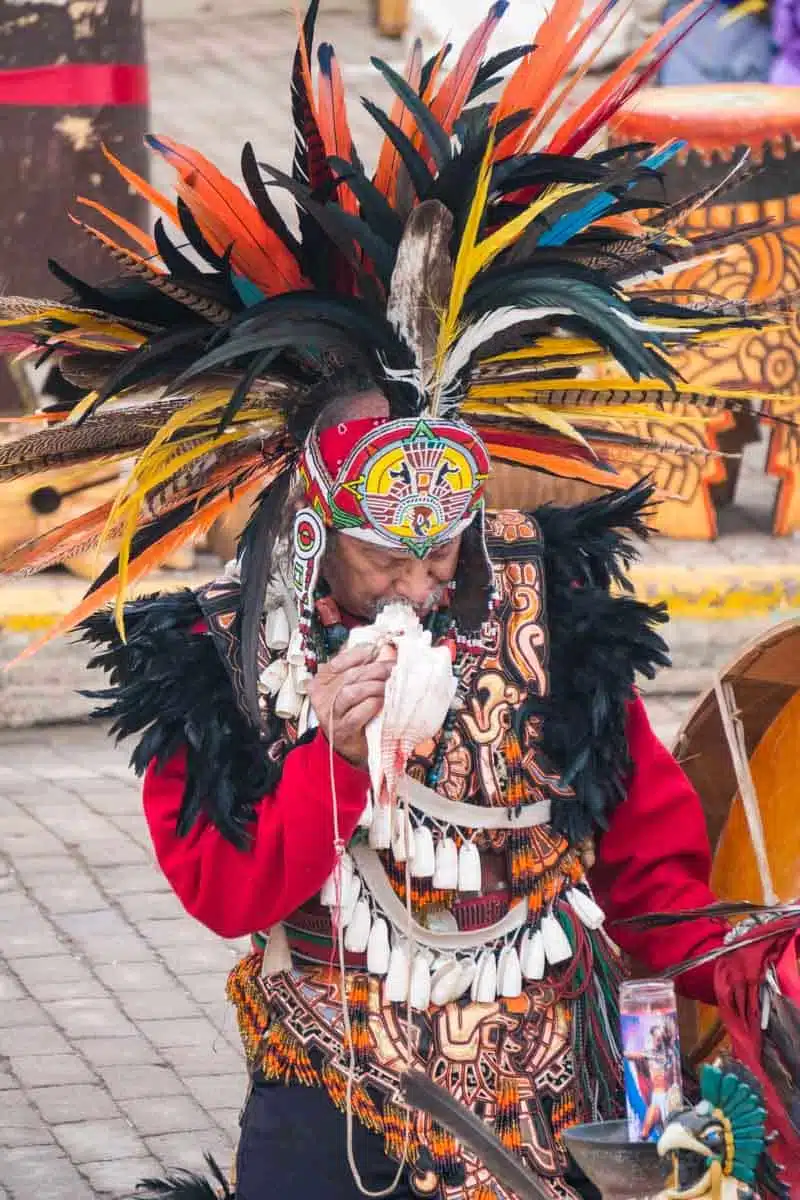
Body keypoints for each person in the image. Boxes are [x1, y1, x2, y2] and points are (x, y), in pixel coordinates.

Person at [0, 2, 787, 1197]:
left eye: (443, 553)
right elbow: (225, 895)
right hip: (341, 1083)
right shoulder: (220, 653)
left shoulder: (543, 600)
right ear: (315, 538)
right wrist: (333, 752)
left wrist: (739, 975)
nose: (424, 584)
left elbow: (647, 863)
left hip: (552, 1090)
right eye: (389, 560)